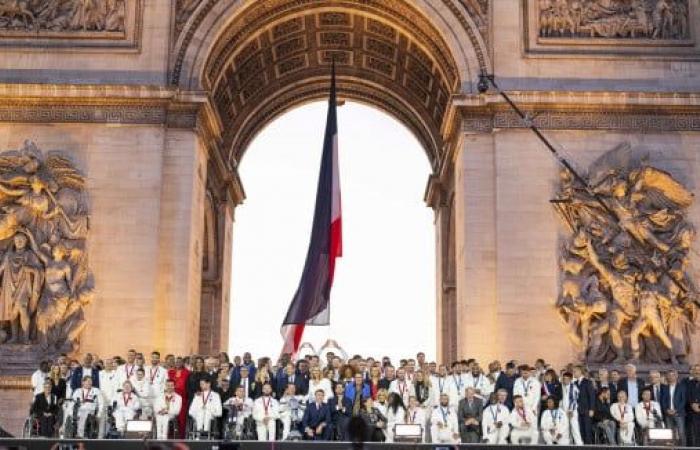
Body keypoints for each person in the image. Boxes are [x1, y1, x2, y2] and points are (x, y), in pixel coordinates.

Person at [660, 369, 687, 446]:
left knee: (681, 433)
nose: (671, 377)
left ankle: (683, 448)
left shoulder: (682, 387)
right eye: (669, 375)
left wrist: (676, 410)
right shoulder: (664, 388)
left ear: (676, 376)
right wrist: (666, 410)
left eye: (673, 375)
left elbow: (683, 400)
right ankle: (672, 447)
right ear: (667, 376)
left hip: (679, 413)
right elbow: (663, 400)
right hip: (668, 414)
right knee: (670, 433)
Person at [168, 356, 190, 438]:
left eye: (180, 362)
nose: (178, 363)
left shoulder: (187, 372)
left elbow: (188, 386)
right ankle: (169, 436)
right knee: (170, 416)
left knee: (182, 419)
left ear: (183, 363)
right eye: (177, 362)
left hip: (183, 399)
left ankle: (182, 437)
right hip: (170, 398)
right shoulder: (170, 372)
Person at [573, 365, 596, 444]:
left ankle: (588, 446)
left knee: (587, 431)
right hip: (577, 411)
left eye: (575, 371)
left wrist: (592, 409)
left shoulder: (587, 382)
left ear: (580, 371)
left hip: (587, 410)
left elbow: (592, 396)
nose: (574, 373)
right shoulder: (574, 383)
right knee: (580, 430)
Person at [560, 371, 583, 445]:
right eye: (564, 379)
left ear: (570, 379)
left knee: (574, 427)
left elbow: (574, 399)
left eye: (567, 379)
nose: (565, 380)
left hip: (572, 411)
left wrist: (570, 410)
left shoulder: (574, 387)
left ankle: (579, 444)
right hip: (564, 410)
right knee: (565, 427)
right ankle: (566, 443)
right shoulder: (562, 386)